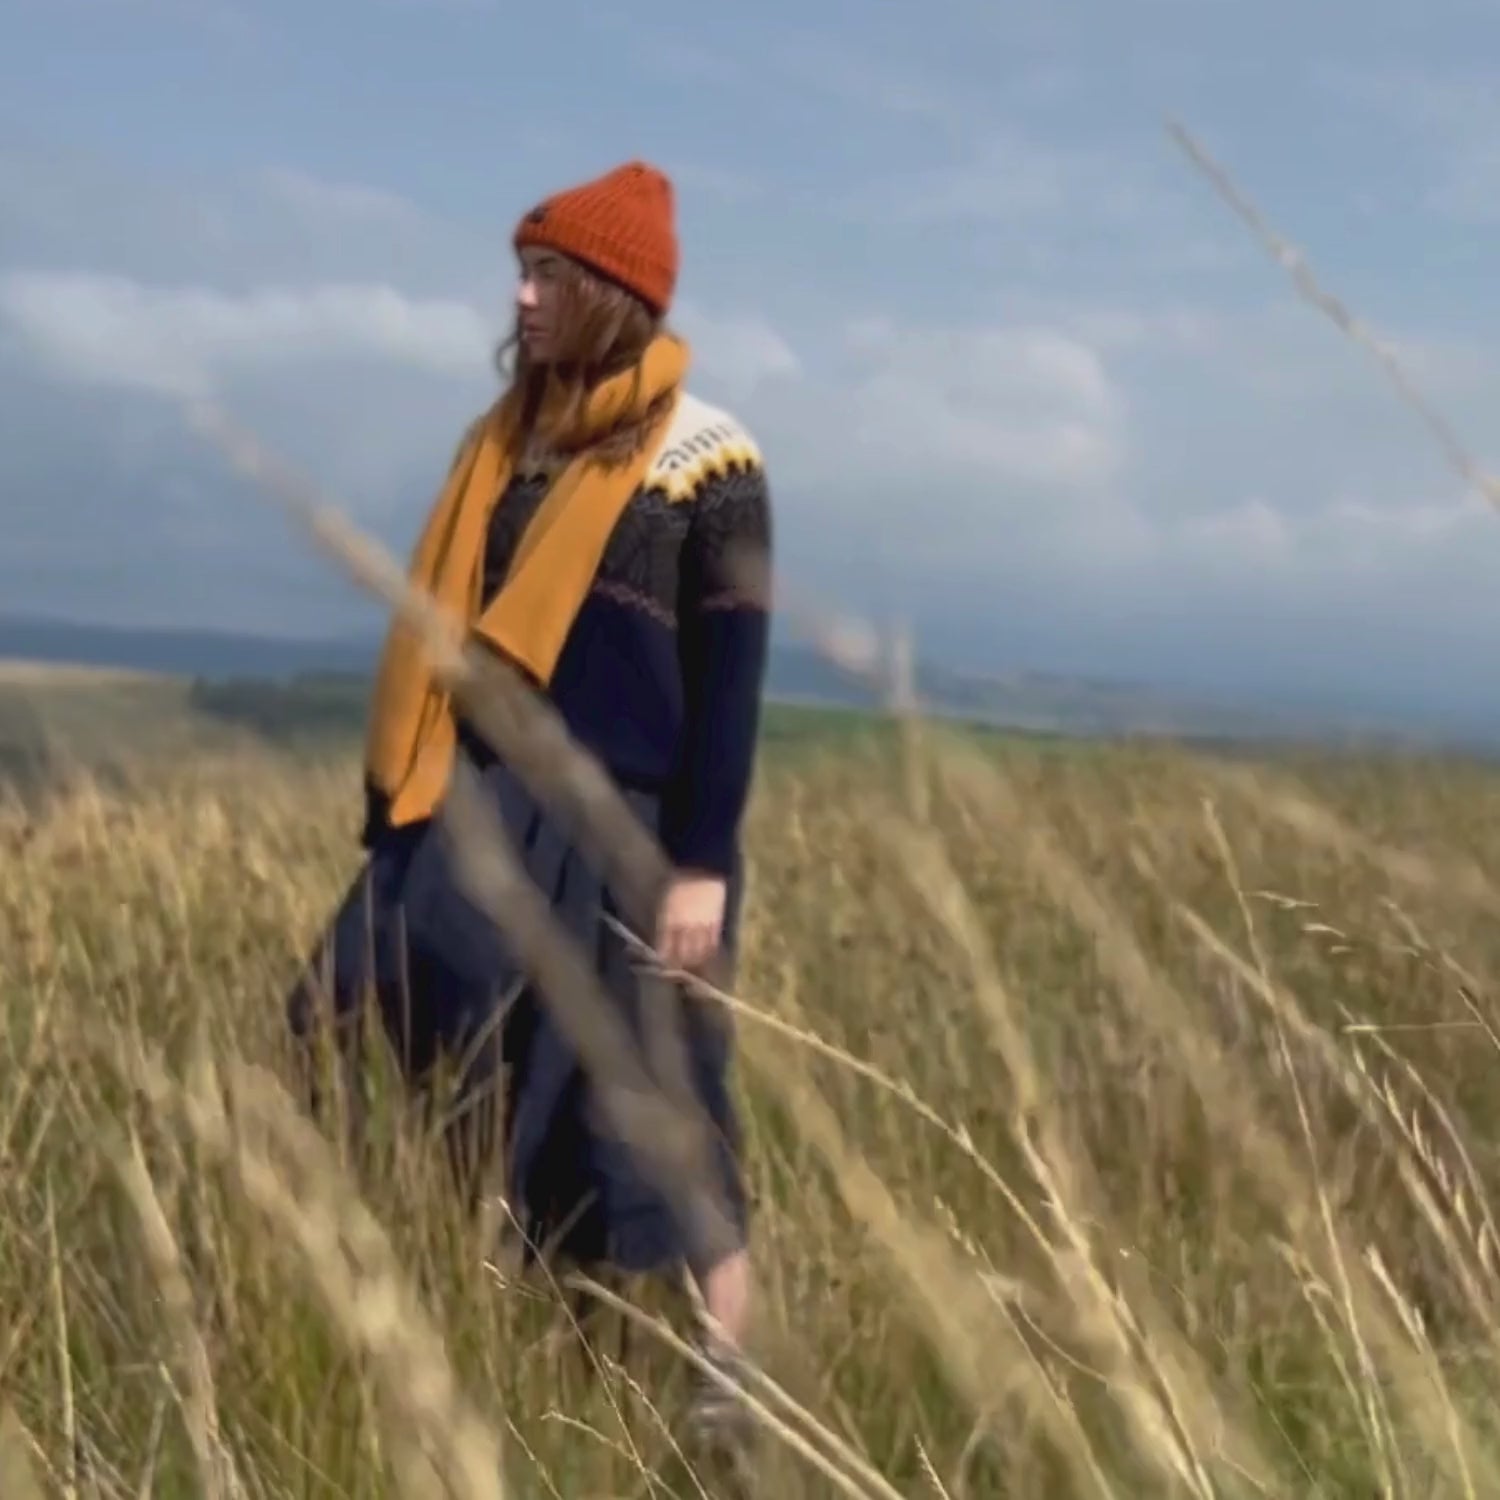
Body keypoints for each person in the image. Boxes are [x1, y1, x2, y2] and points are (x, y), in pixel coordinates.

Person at [286, 159, 772, 1440]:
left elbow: (731, 683)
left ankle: (725, 1385)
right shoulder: (501, 442)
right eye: (524, 270)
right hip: (468, 804)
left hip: (625, 827)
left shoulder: (708, 458)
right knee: (348, 1028)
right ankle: (489, 1333)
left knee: (660, 1108)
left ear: (611, 291)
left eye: (547, 273)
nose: (523, 294)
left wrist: (704, 865)